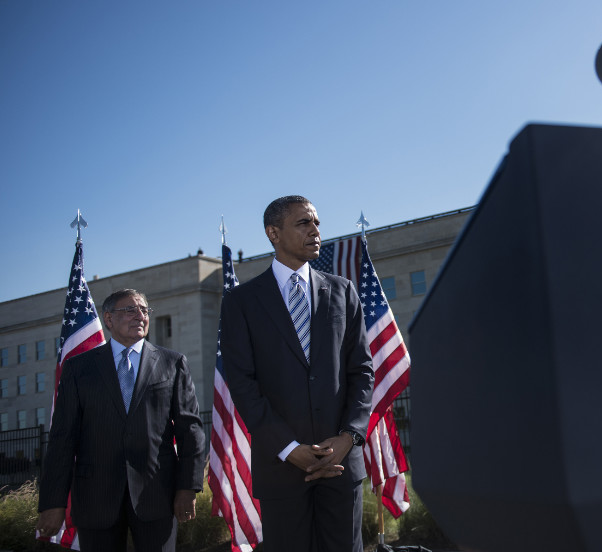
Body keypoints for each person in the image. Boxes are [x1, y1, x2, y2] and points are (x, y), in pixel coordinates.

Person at [220, 195, 374, 552]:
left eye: (317, 223)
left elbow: (361, 371)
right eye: (304, 223)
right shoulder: (241, 302)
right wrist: (289, 448)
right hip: (281, 468)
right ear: (273, 233)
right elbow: (242, 382)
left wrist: (348, 437)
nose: (315, 230)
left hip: (341, 466)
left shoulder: (342, 290)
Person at [37, 289, 206, 552]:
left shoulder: (172, 363)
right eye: (130, 310)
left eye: (144, 310)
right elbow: (62, 439)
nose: (140, 315)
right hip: (96, 498)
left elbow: (190, 430)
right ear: (108, 319)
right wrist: (53, 503)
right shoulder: (78, 368)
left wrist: (187, 488)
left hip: (157, 496)